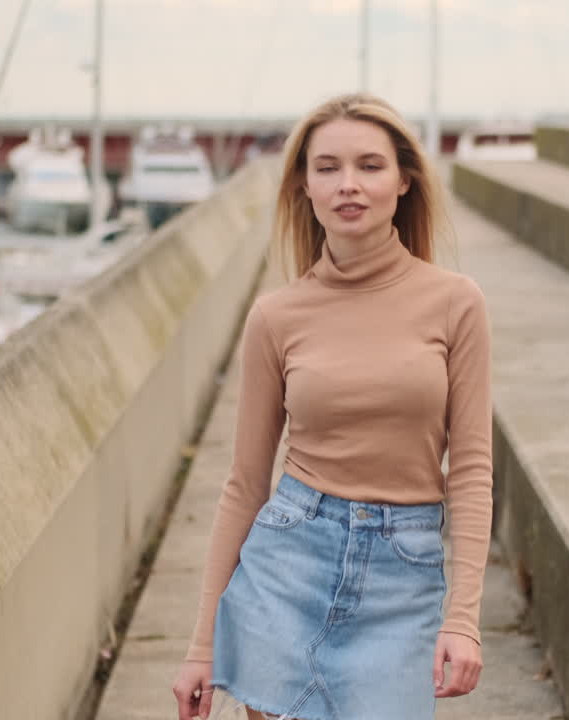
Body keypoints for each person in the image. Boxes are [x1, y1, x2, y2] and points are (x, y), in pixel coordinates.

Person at [171, 93, 493, 720]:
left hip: (405, 570)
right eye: (328, 168)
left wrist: (464, 618)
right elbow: (244, 485)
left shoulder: (457, 304)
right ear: (304, 186)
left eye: (370, 166)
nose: (349, 184)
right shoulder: (275, 316)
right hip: (288, 561)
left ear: (404, 180)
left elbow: (474, 469)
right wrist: (201, 646)